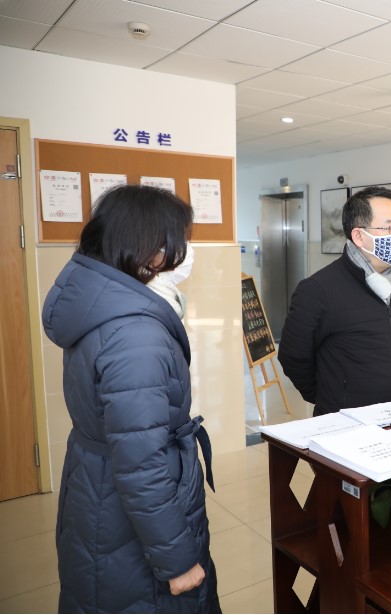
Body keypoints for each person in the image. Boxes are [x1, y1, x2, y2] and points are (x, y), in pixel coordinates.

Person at [42, 185, 219, 613]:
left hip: (98, 491)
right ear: (148, 250)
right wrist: (177, 561)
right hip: (127, 519)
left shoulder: (102, 302)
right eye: (179, 240)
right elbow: (142, 464)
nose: (187, 252)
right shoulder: (137, 334)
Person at [278, 186, 391, 415]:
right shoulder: (318, 289)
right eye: (389, 227)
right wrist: (329, 396)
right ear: (359, 236)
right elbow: (293, 357)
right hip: (348, 421)